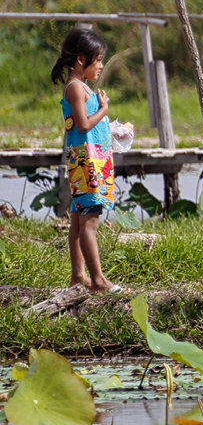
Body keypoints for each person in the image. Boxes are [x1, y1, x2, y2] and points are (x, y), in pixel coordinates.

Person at [52, 28, 121, 293]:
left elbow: (88, 127)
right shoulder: (76, 89)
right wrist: (104, 109)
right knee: (89, 220)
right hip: (87, 164)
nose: (102, 66)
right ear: (81, 59)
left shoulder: (81, 88)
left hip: (90, 160)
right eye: (99, 60)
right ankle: (99, 280)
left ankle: (78, 277)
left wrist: (111, 127)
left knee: (79, 219)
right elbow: (81, 125)